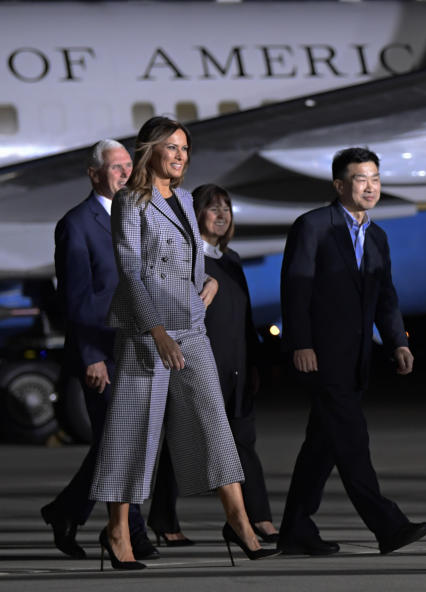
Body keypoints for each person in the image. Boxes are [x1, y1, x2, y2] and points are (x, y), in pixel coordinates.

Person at [89, 116, 279, 570]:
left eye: (185, 149)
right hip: (146, 330)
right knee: (135, 432)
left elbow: (187, 261)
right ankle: (118, 533)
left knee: (215, 421)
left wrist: (208, 284)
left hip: (192, 325)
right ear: (150, 149)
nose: (180, 156)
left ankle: (240, 522)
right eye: (172, 147)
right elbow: (132, 271)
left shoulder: (188, 200)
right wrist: (155, 331)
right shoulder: (130, 202)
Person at [278, 147, 426, 556]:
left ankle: (295, 529)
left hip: (357, 357)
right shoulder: (312, 226)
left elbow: (385, 296)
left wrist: (398, 340)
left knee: (322, 446)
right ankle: (389, 525)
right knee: (352, 440)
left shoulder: (377, 236)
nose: (371, 186)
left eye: (376, 178)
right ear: (339, 185)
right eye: (361, 179)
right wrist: (301, 343)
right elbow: (296, 290)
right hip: (322, 356)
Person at [41, 140, 158, 562]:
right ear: (94, 174)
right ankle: (129, 535)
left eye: (129, 166)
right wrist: (90, 354)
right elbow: (75, 299)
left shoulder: (141, 216)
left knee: (126, 444)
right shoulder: (77, 224)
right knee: (119, 442)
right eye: (116, 168)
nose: (126, 174)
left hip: (138, 348)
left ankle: (69, 511)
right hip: (102, 353)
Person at [146, 184, 280, 545]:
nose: (222, 215)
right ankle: (163, 519)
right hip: (201, 364)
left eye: (227, 209)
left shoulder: (231, 260)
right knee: (184, 442)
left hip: (235, 367)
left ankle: (260, 517)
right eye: (213, 208)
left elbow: (245, 317)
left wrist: (254, 363)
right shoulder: (189, 259)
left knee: (244, 441)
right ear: (196, 215)